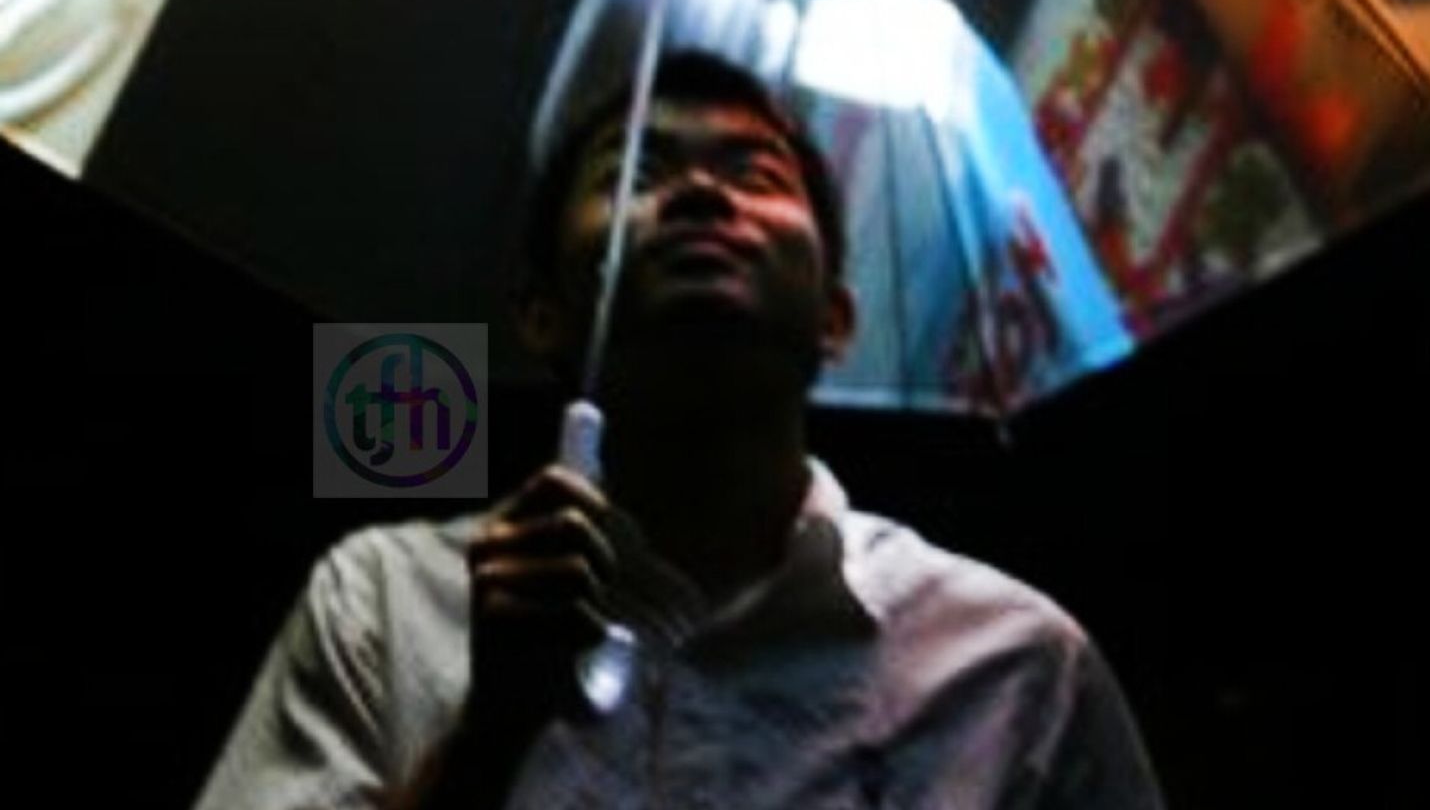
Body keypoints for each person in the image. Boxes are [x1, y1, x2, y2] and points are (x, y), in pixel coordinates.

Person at [194, 50, 1166, 808]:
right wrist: (487, 737)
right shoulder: (385, 605)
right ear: (542, 315)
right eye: (638, 170)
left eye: (756, 172)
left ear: (836, 316)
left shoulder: (1018, 670)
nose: (703, 194)